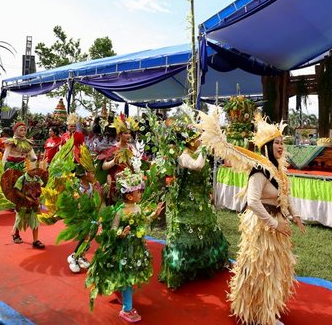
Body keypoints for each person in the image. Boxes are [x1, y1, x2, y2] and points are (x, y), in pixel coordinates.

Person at [199, 111, 305, 325]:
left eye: (282, 142)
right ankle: (259, 313)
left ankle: (267, 310)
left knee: (274, 269)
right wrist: (275, 224)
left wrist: (295, 215)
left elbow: (286, 194)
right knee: (260, 269)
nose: (281, 146)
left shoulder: (279, 170)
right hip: (261, 227)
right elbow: (253, 201)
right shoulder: (260, 170)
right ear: (267, 145)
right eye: (276, 142)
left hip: (277, 226)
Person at [158, 114, 229, 289]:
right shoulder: (183, 156)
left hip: (201, 201)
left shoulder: (198, 152)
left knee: (207, 231)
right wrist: (205, 150)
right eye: (198, 137)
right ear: (189, 140)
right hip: (187, 202)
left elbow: (206, 170)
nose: (200, 139)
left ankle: (206, 265)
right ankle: (181, 269)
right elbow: (197, 166)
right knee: (186, 236)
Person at [85, 164, 164, 322]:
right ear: (129, 196)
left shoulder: (138, 208)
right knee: (127, 277)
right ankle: (126, 309)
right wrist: (121, 233)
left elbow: (144, 220)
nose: (141, 194)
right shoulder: (120, 211)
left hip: (136, 248)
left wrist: (154, 215)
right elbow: (113, 229)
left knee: (130, 276)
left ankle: (120, 293)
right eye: (138, 192)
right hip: (123, 250)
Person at [2, 122, 45, 248]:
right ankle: (16, 232)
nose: (23, 131)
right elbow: (5, 157)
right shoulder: (11, 142)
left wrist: (37, 166)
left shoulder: (28, 143)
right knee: (19, 202)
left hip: (25, 167)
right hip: (12, 169)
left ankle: (34, 238)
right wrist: (2, 170)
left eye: (25, 129)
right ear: (15, 130)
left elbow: (33, 157)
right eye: (21, 129)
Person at [98, 115, 140, 205]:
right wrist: (114, 161)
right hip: (116, 184)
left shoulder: (132, 148)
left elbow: (135, 165)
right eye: (125, 133)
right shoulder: (113, 148)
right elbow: (104, 166)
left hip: (130, 183)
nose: (128, 135)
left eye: (129, 133)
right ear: (119, 134)